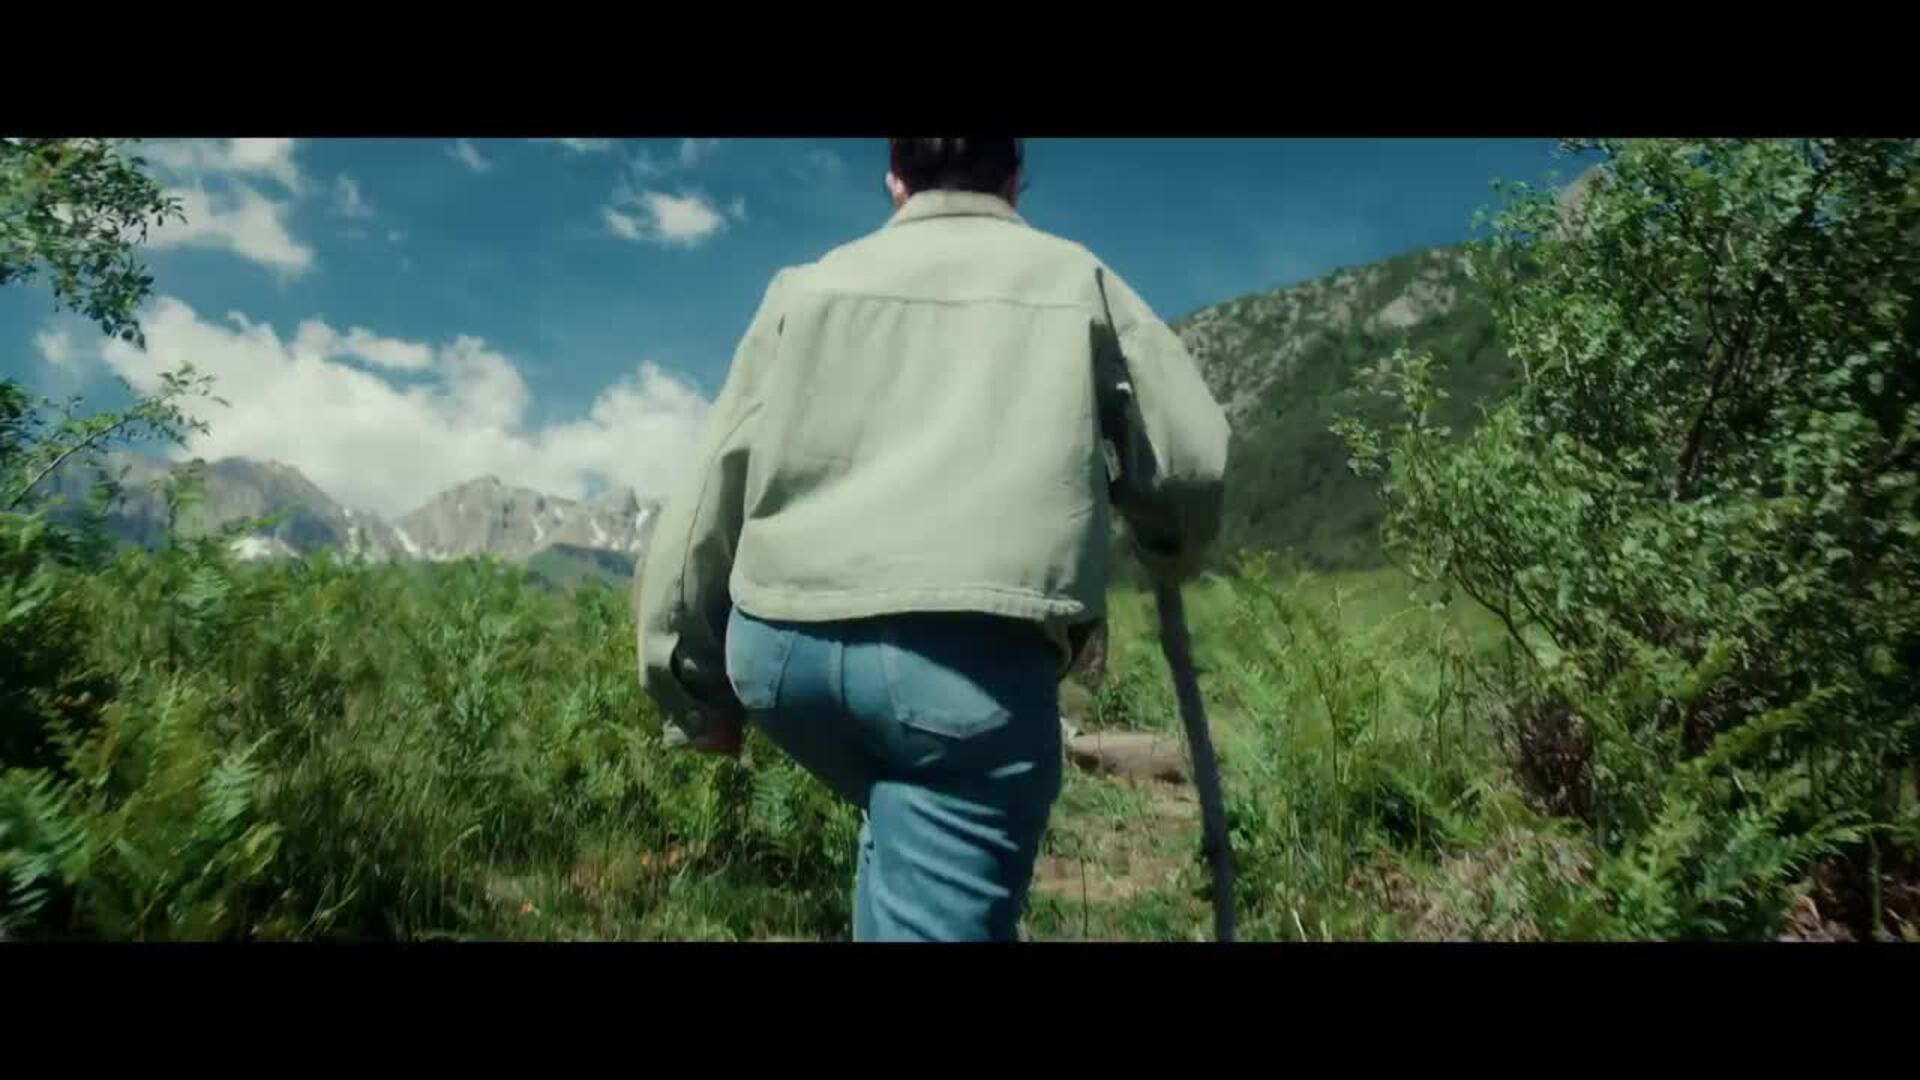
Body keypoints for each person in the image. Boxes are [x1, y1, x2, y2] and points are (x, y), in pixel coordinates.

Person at [633, 138, 1229, 942]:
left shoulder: (805, 288)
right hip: (964, 671)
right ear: (1014, 178)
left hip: (781, 656)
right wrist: (1167, 543)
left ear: (895, 181)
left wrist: (692, 688)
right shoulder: (1075, 279)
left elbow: (711, 488)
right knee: (935, 807)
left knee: (904, 829)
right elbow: (1190, 460)